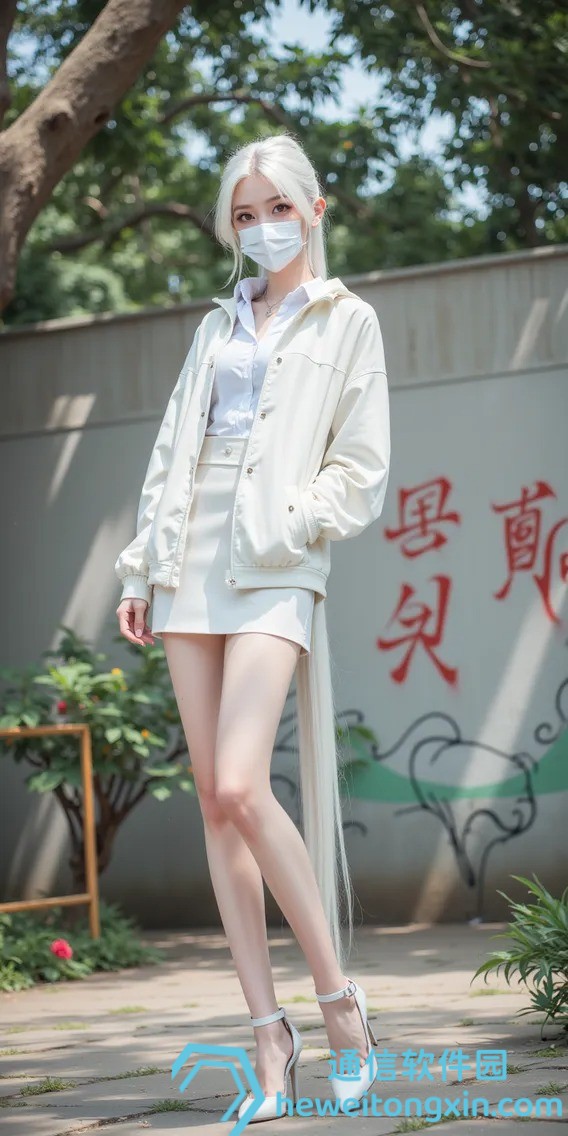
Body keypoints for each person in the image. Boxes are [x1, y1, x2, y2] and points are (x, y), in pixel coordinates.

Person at [114, 131, 390, 1121]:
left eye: (278, 208)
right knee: (213, 802)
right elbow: (172, 449)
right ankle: (269, 1037)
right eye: (244, 213)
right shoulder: (215, 323)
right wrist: (141, 564)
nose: (263, 227)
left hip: (273, 562)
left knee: (240, 783)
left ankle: (339, 1003)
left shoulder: (347, 320)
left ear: (313, 210)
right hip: (188, 560)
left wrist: (292, 521)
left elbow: (361, 466)